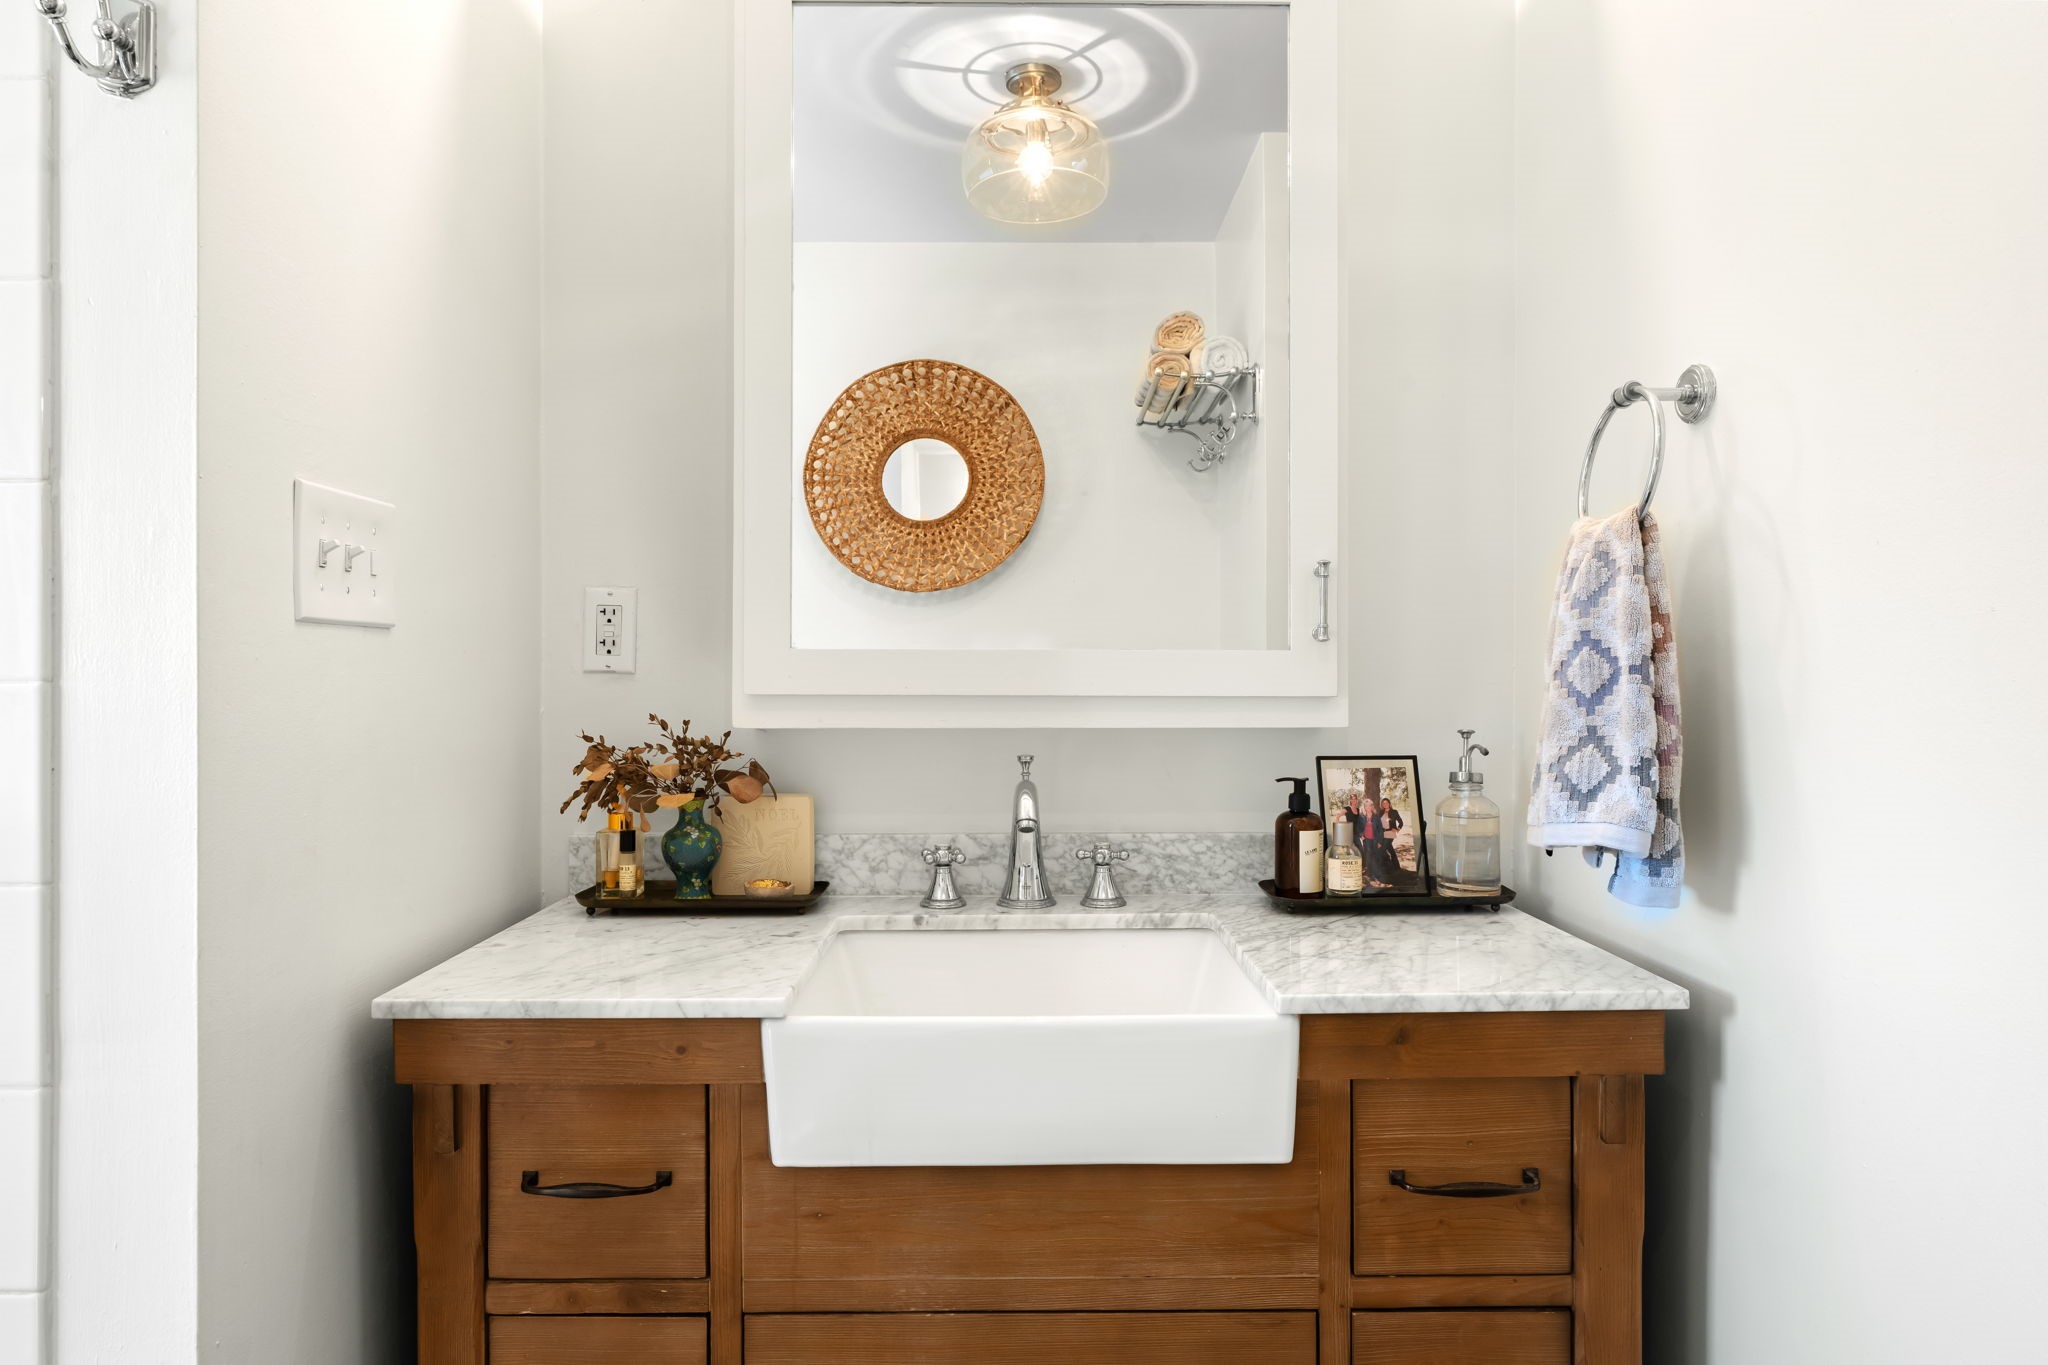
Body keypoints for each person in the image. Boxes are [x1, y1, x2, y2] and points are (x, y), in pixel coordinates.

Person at [1377, 796, 1406, 885]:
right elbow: (1378, 823)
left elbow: (1401, 822)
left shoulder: (1394, 812)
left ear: (1389, 803)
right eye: (1383, 803)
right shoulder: (1380, 812)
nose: (1385, 804)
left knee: (1382, 850)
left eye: (1386, 802)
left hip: (1390, 833)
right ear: (1382, 804)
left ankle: (1385, 869)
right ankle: (1396, 867)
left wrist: (1398, 828)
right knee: (1391, 850)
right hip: (1383, 834)